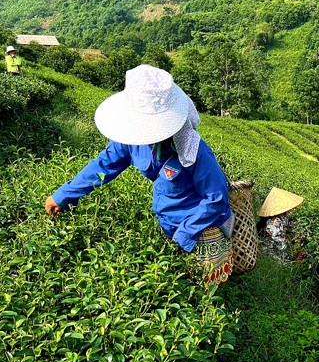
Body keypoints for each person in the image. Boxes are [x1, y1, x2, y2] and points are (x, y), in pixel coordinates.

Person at [45, 64, 236, 285]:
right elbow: (103, 166)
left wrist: (184, 234)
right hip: (169, 225)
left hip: (203, 229)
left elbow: (216, 199)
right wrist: (64, 195)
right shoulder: (131, 140)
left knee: (205, 289)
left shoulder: (195, 151)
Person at [257, 187, 304, 261]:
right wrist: (293, 259)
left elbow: (290, 227)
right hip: (270, 255)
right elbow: (278, 245)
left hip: (275, 253)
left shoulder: (282, 218)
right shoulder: (274, 223)